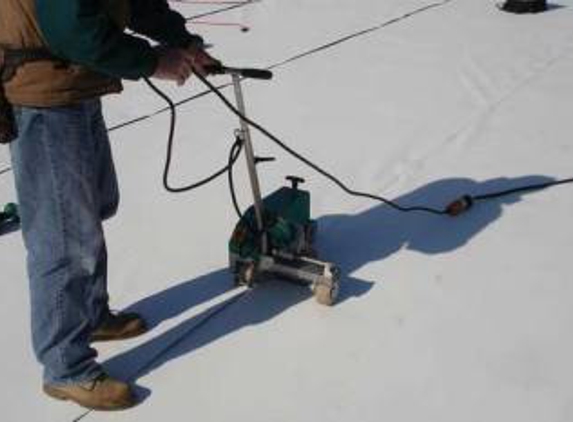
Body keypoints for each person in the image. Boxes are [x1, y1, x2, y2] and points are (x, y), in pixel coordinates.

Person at [0, 0, 219, 411]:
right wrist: (151, 62)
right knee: (64, 237)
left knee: (93, 208)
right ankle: (66, 367)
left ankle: (91, 315)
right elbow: (72, 28)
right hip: (44, 94)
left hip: (75, 81)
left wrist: (183, 40)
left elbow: (133, 1)